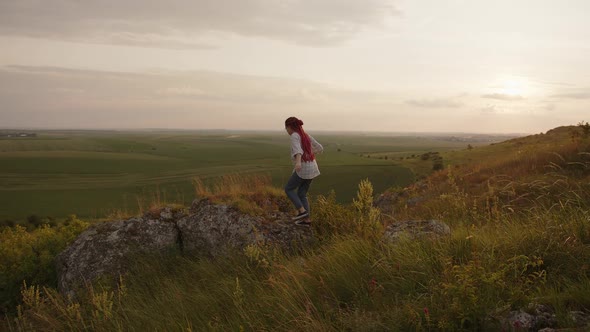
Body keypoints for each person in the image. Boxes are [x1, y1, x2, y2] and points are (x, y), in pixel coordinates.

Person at [284, 116, 323, 225]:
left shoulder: (294, 136)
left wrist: (298, 162)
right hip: (313, 168)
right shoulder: (306, 135)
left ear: (290, 127)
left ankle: (302, 212)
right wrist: (309, 153)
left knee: (289, 189)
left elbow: (298, 150)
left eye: (286, 128)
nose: (286, 130)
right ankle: (307, 220)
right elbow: (320, 148)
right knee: (302, 193)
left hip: (303, 169)